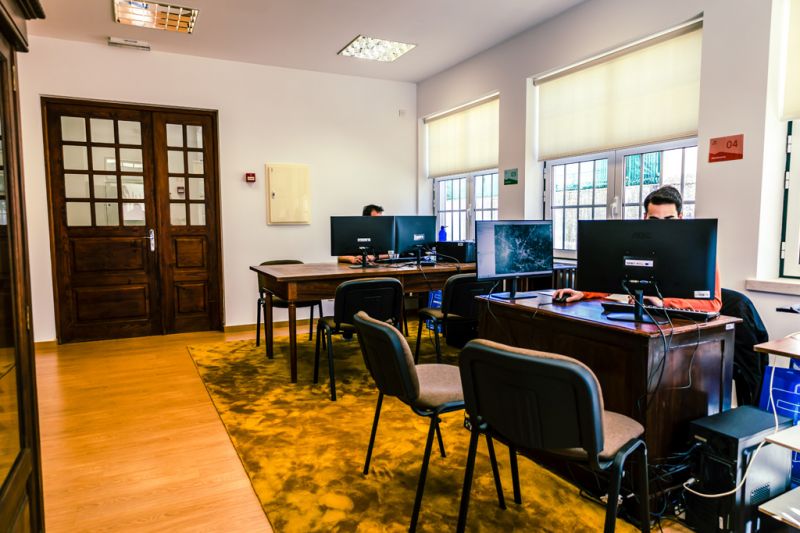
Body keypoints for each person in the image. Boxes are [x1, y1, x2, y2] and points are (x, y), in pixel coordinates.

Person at [553, 185, 722, 312]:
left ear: (680, 218)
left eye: (669, 220)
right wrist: (583, 293)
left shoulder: (700, 254)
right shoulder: (634, 247)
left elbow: (713, 303)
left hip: (682, 329)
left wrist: (663, 303)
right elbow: (612, 280)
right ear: (645, 218)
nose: (662, 228)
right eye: (655, 221)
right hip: (640, 323)